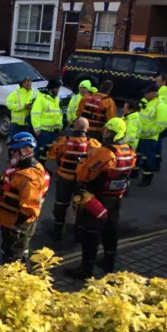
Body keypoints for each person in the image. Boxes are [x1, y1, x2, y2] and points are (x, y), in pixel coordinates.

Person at [65, 118, 136, 279]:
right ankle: (109, 262)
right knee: (111, 230)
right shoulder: (129, 150)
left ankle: (86, 269)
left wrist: (84, 161)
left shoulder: (104, 152)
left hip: (96, 198)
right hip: (115, 198)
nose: (104, 133)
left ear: (114, 134)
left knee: (90, 233)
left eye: (108, 131)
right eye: (105, 130)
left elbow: (83, 175)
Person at [0, 132, 49, 266]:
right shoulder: (20, 168)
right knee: (12, 250)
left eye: (14, 151)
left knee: (14, 256)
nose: (12, 154)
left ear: (25, 150)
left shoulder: (30, 177)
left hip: (17, 225)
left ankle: (15, 279)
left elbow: (29, 208)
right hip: (9, 222)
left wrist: (16, 227)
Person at [46, 117, 101, 241]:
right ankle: (78, 233)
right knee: (80, 205)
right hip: (81, 180)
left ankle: (57, 232)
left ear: (74, 127)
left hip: (64, 177)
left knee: (61, 204)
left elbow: (51, 156)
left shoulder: (63, 141)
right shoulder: (92, 143)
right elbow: (98, 161)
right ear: (87, 129)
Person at [137, 84, 167, 187]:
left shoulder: (160, 106)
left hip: (150, 138)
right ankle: (137, 174)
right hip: (139, 136)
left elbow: (161, 125)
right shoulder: (146, 102)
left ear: (153, 94)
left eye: (147, 92)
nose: (145, 94)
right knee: (138, 156)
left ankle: (147, 178)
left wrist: (150, 132)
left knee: (147, 160)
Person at [30, 79, 63, 167]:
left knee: (47, 151)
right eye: (57, 88)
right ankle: (34, 168)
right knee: (39, 150)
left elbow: (59, 113)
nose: (58, 90)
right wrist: (37, 128)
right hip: (43, 131)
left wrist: (59, 126)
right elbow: (35, 114)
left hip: (52, 131)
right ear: (51, 88)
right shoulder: (41, 99)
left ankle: (42, 167)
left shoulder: (56, 98)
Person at [122, 100, 141, 179]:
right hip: (125, 146)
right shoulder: (127, 117)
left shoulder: (132, 120)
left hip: (127, 146)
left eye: (125, 107)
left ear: (131, 110)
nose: (123, 109)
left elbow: (129, 137)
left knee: (124, 168)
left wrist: (119, 143)